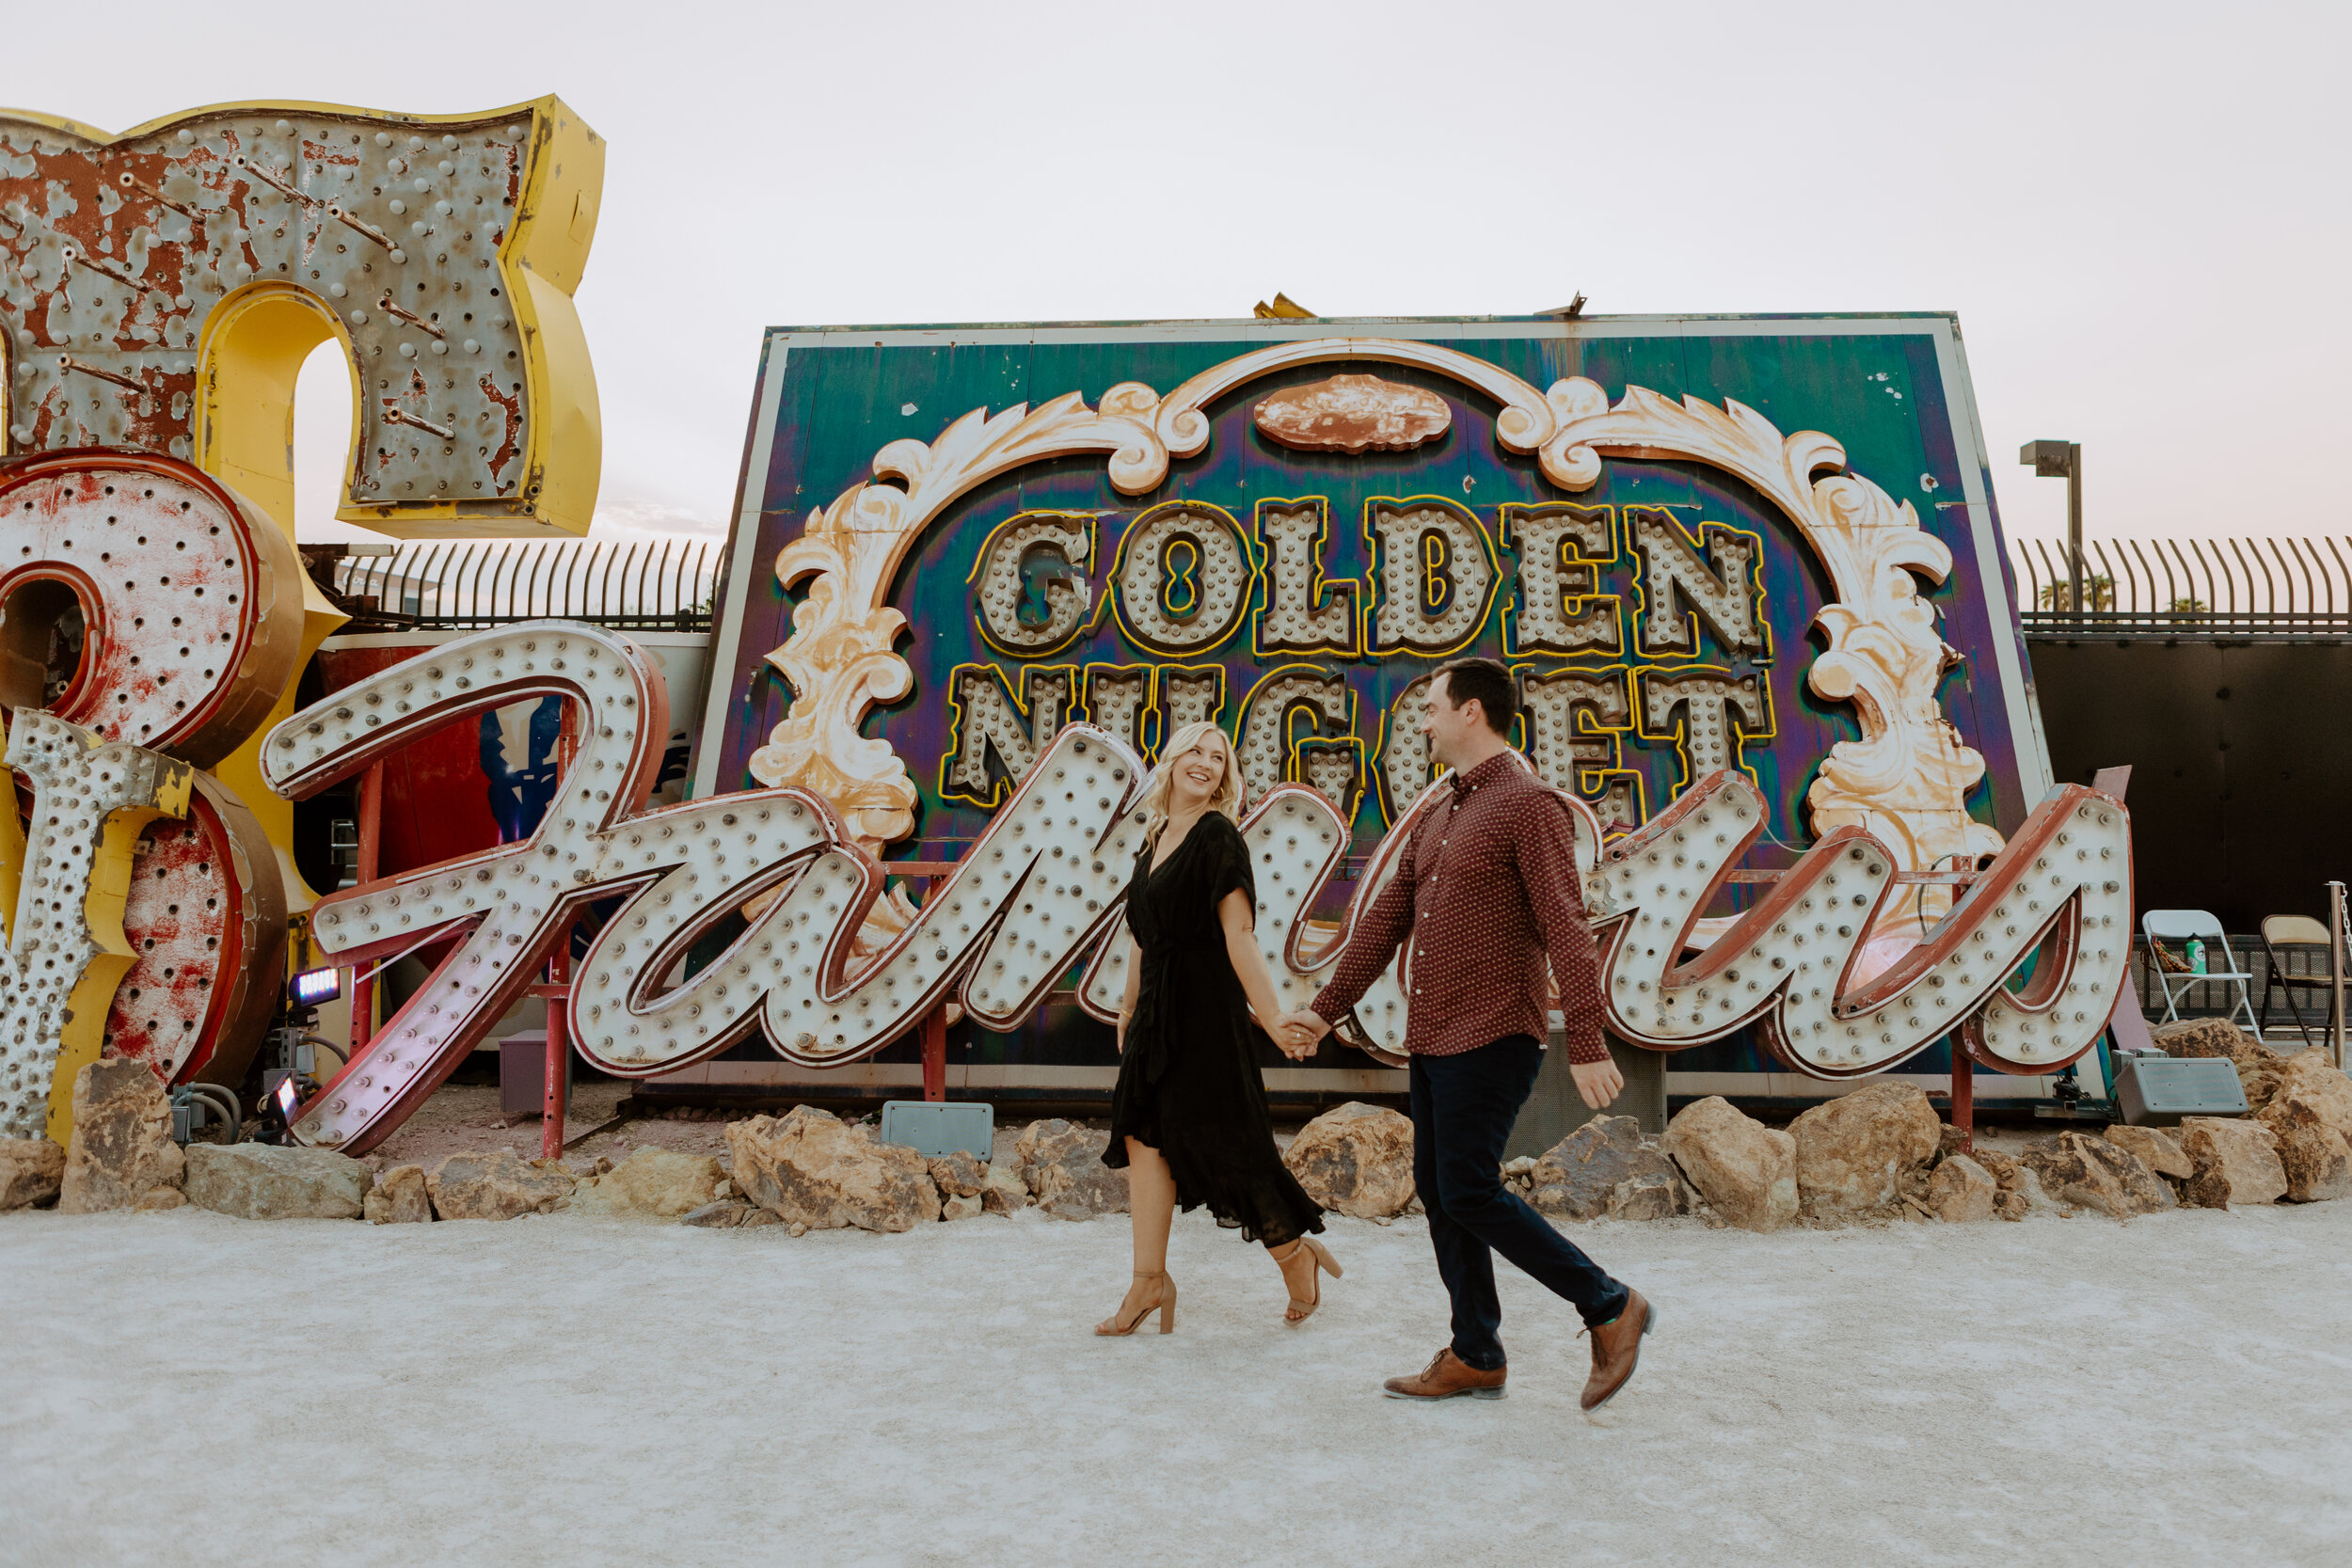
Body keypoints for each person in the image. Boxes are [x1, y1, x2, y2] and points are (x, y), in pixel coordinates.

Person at [1280, 658, 1654, 1410]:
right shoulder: (1443, 810)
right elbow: (1386, 917)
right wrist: (1324, 1009)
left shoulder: (1529, 805)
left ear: (1472, 712)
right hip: (1435, 1033)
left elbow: (1566, 924)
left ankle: (1609, 1304)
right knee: (1441, 1189)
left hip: (1494, 1031)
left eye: (1431, 707)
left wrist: (1585, 1036)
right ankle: (1477, 1351)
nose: (1423, 721)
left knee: (1469, 1187)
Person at [1096, 721, 1342, 1337]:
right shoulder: (1155, 838)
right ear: (1173, 759)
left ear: (1225, 774)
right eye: (1196, 750)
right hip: (1156, 1011)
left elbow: (1240, 936)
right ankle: (1148, 1279)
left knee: (1232, 1146)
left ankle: (1293, 1252)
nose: (1205, 761)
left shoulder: (1218, 836)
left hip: (1206, 1014)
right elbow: (1141, 936)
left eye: (1217, 755)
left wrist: (1273, 1014)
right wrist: (1127, 1008)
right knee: (1143, 1137)